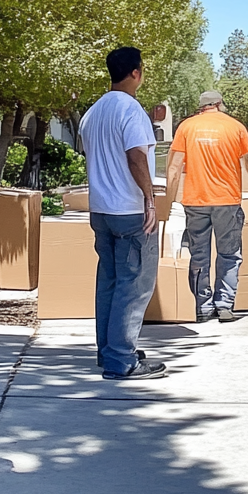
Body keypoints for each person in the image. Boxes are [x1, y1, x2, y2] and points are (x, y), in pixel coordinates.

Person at [79, 47, 165, 380]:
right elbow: (135, 157)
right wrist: (149, 199)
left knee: (110, 282)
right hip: (129, 210)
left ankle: (110, 349)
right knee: (135, 284)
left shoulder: (93, 112)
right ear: (136, 73)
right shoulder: (131, 110)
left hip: (101, 209)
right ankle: (121, 358)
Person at [167, 91, 248, 323]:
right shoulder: (235, 127)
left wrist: (169, 201)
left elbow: (174, 168)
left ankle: (202, 307)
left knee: (199, 255)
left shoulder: (186, 127)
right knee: (229, 254)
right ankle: (224, 305)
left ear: (201, 107)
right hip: (227, 202)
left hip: (196, 201)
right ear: (219, 104)